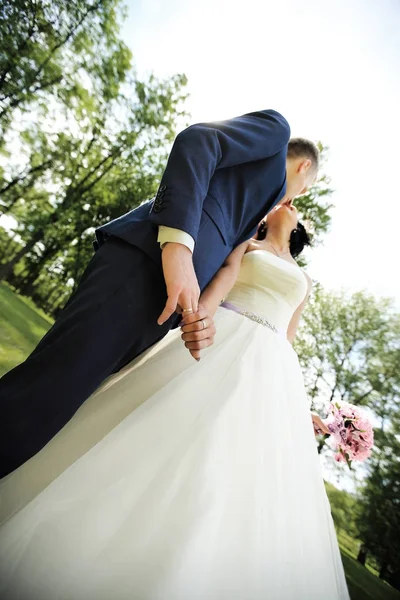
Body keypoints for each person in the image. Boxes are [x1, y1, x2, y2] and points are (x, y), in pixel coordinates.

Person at [0, 201, 350, 600]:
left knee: (231, 468)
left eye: (295, 205)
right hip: (220, 338)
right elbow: (221, 280)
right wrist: (198, 317)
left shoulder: (303, 280)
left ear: (302, 228)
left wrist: (296, 404)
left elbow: (288, 339)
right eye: (282, 200)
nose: (287, 204)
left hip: (271, 372)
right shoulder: (245, 244)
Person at [0, 109, 318, 478]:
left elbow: (228, 262)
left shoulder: (260, 206)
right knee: (46, 392)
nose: (293, 202)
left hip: (163, 307)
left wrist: (201, 315)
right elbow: (198, 139)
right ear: (304, 171)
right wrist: (178, 247)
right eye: (305, 191)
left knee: (63, 403)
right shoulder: (277, 132)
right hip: (144, 265)